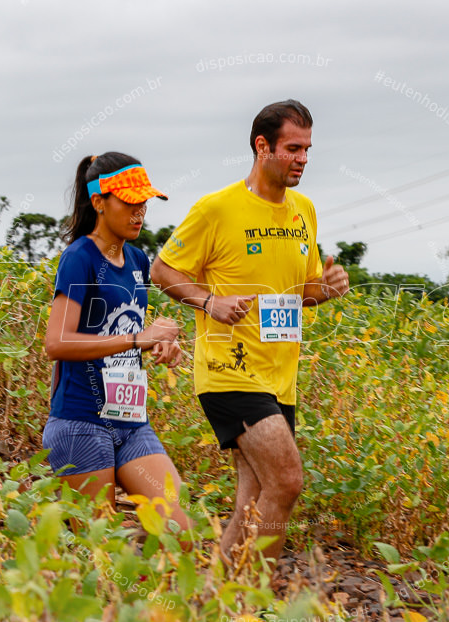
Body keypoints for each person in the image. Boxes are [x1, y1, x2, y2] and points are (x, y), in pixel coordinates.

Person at [151, 100, 350, 563]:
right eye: (293, 148)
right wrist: (208, 301)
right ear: (263, 147)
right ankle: (256, 604)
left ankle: (219, 605)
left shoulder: (304, 211)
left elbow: (302, 292)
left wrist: (328, 288)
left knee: (255, 495)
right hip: (229, 372)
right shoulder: (217, 209)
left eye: (307, 149)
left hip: (280, 377)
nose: (302, 159)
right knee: (286, 481)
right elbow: (163, 270)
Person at [42, 152, 190, 535]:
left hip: (130, 421)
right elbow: (56, 342)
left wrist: (160, 345)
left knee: (180, 532)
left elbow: (126, 330)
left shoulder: (138, 260)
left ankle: (150, 592)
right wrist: (139, 337)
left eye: (144, 202)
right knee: (99, 551)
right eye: (129, 202)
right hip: (80, 423)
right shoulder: (79, 258)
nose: (139, 211)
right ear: (98, 203)